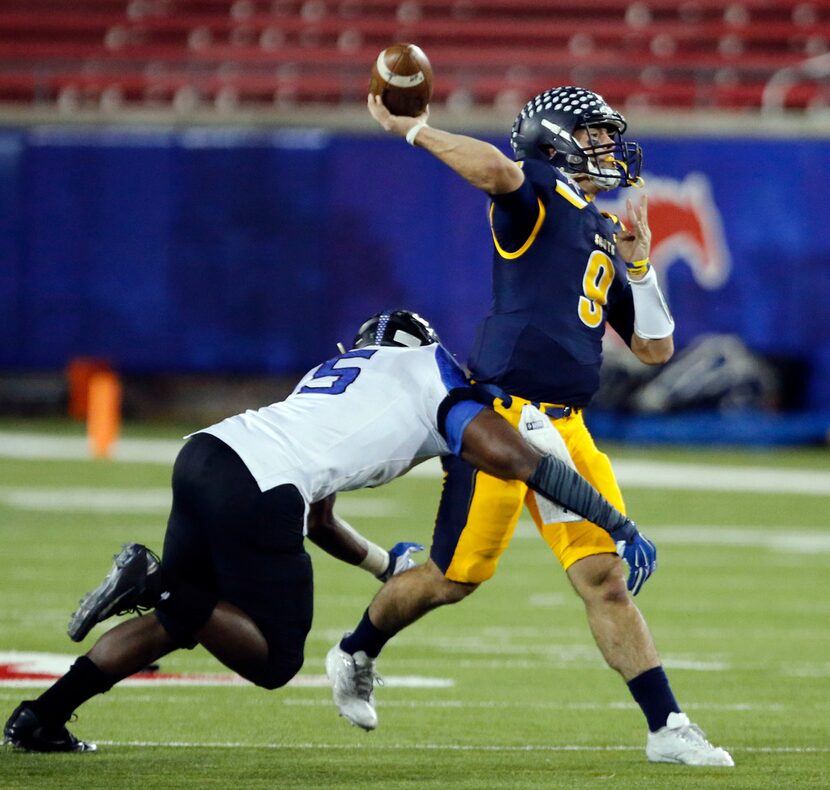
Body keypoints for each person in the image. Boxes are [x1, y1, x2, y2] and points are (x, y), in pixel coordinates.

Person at [3, 308, 649, 754]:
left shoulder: (332, 377)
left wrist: (381, 565)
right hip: (262, 486)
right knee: (276, 657)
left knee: (179, 621)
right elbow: (515, 460)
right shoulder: (437, 376)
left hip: (205, 454)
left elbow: (320, 519)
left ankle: (42, 716)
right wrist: (612, 519)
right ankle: (157, 580)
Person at [325, 90, 734, 767]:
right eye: (594, 137)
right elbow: (495, 170)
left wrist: (638, 267)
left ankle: (667, 727)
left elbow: (656, 350)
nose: (607, 150)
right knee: (452, 579)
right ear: (555, 139)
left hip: (568, 427)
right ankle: (356, 650)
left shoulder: (600, 228)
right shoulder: (536, 190)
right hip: (503, 419)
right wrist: (414, 130)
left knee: (605, 577)